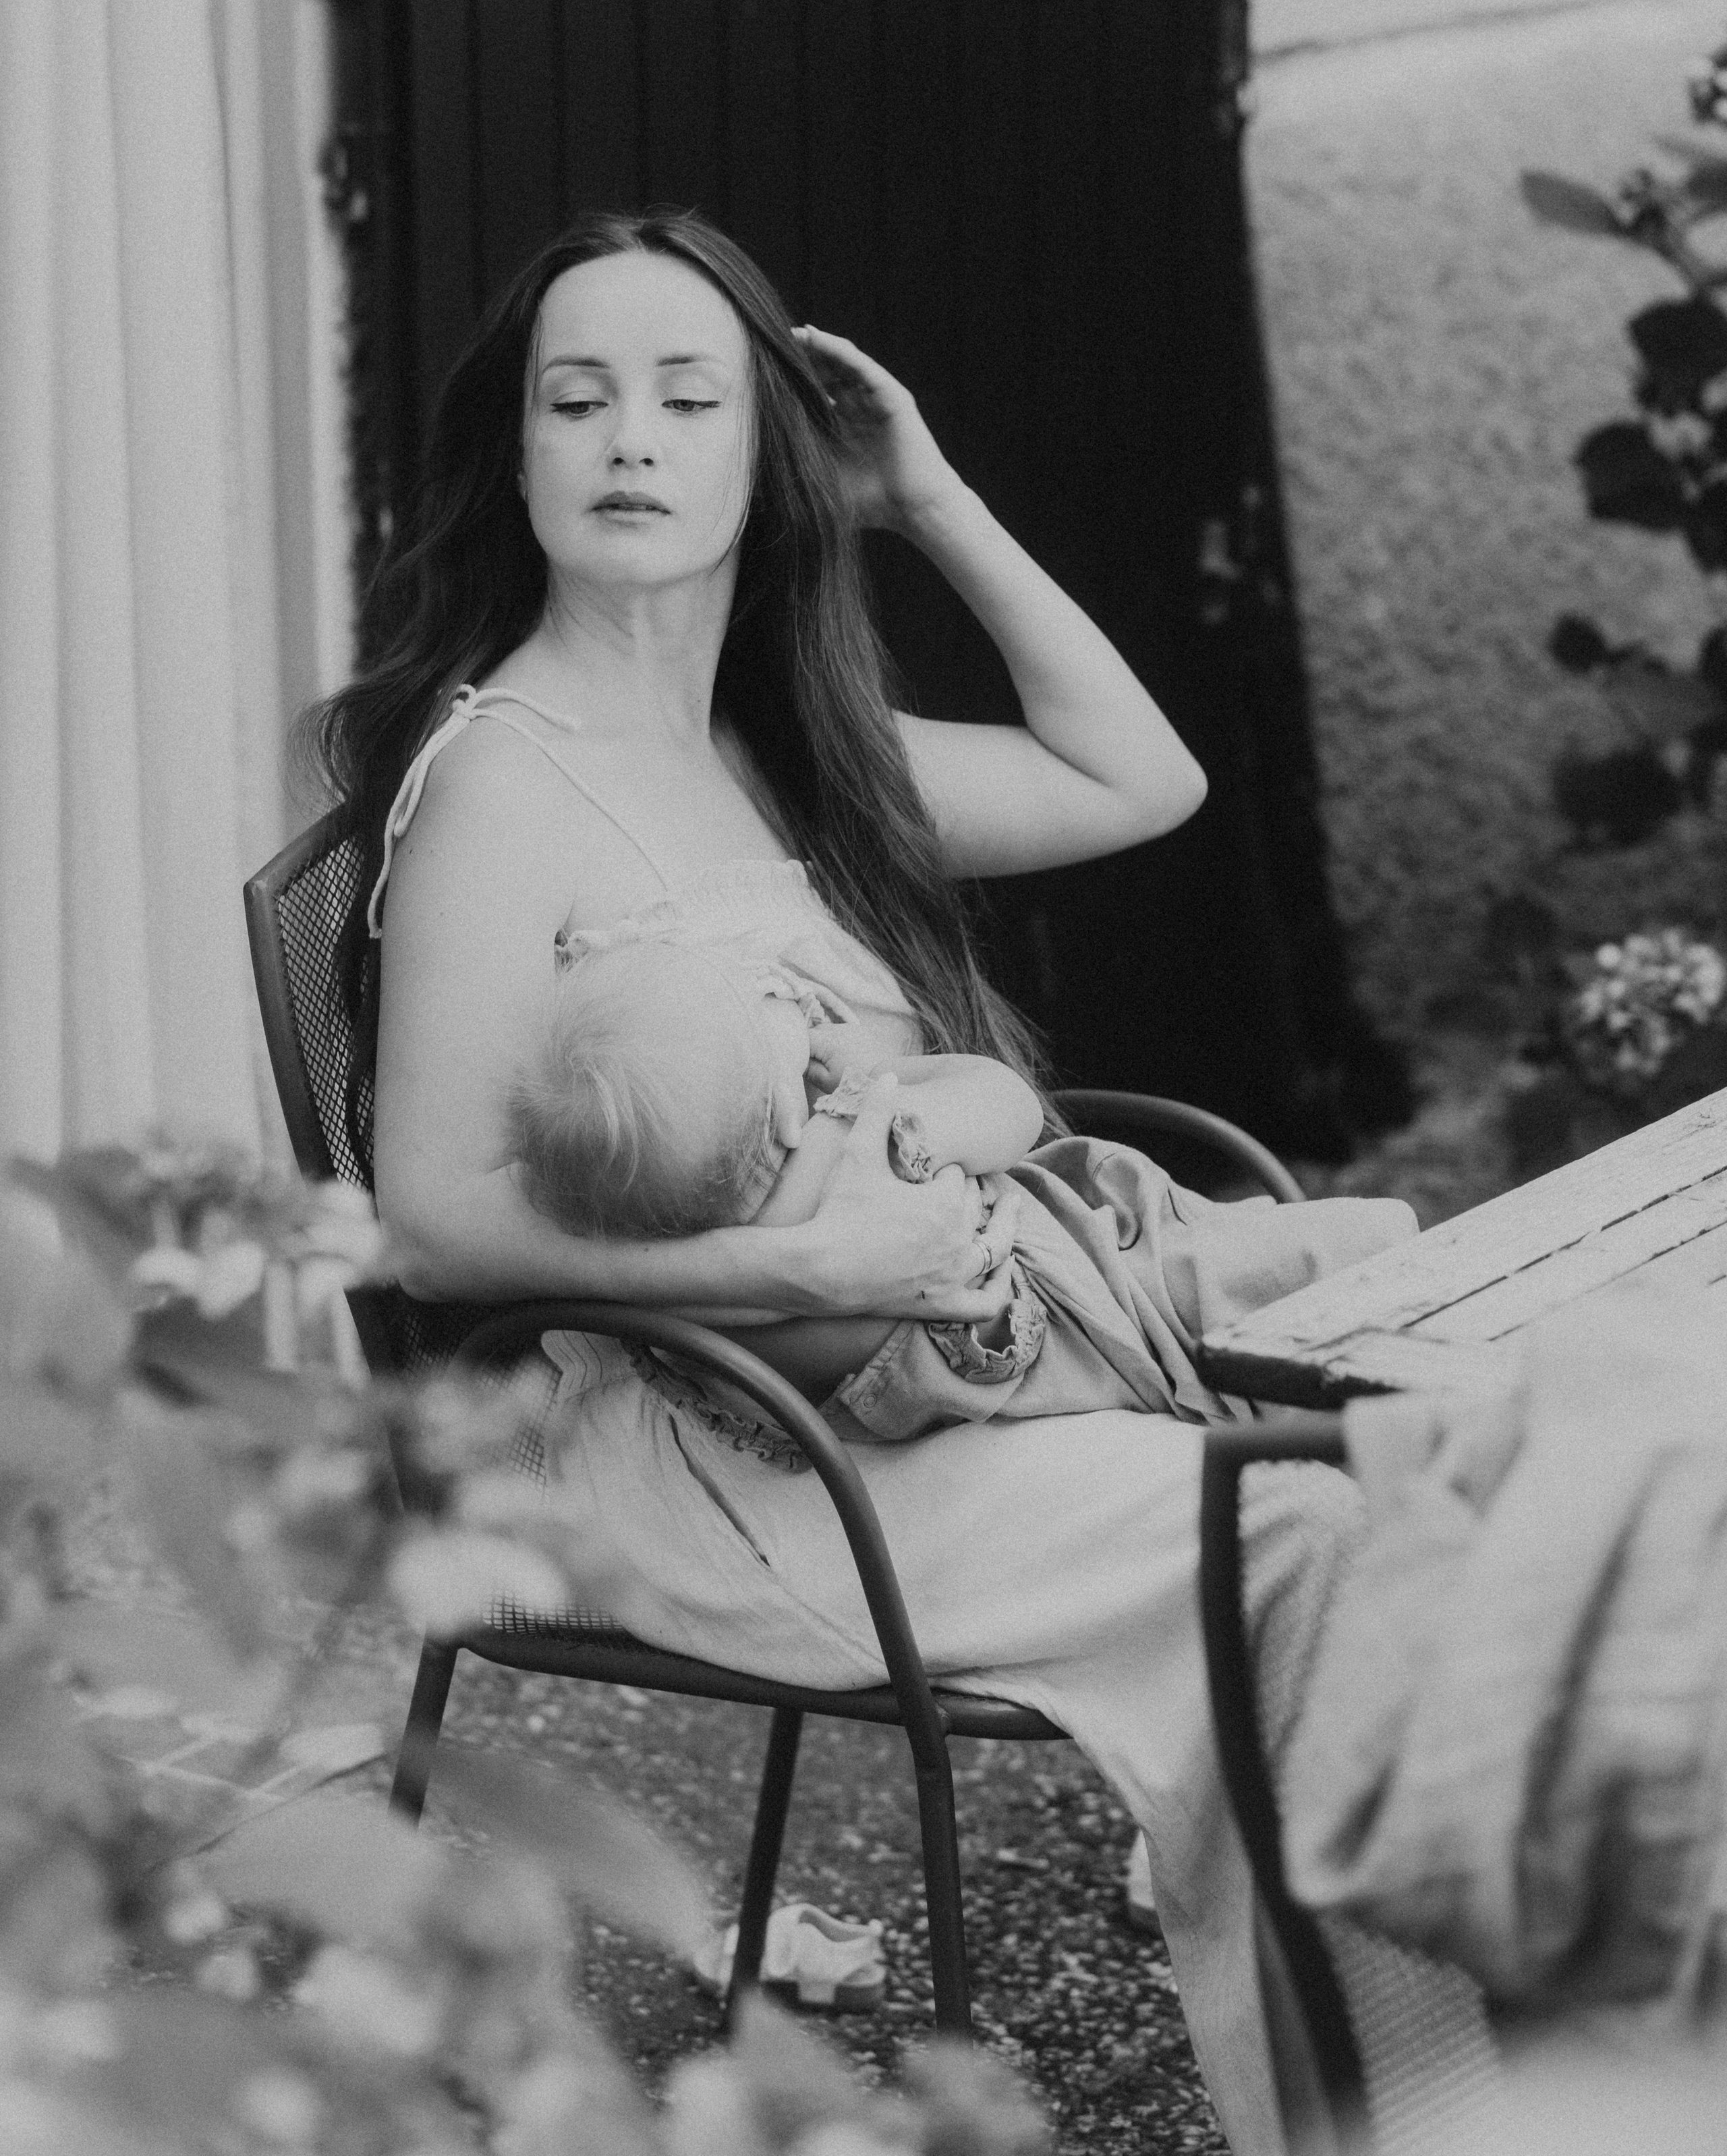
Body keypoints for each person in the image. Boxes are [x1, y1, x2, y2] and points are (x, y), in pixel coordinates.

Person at [312, 209, 1483, 2154]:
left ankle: (1466, 2077)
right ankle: (1404, 2107)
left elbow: (1141, 780)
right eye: (576, 398)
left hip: (899, 1387)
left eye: (690, 399)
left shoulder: (769, 755)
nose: (629, 439)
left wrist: (929, 501)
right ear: (512, 458)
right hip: (706, 1445)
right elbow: (429, 1224)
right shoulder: (501, 785)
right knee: (1299, 1550)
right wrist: (816, 1245)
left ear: (768, 455)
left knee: (1422, 1486)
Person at [508, 914, 1415, 1441]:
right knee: (1371, 1251)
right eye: (776, 1003)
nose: (803, 1008)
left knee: (1338, 1307)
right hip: (1123, 1286)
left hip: (1084, 1349)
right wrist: (897, 1112)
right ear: (788, 1105)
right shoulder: (856, 1126)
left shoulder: (736, 1313)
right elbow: (1010, 1100)